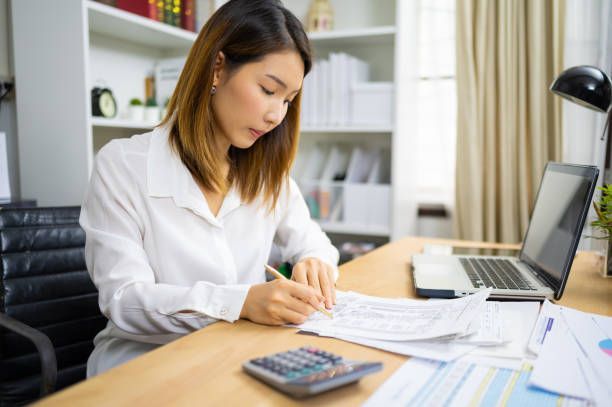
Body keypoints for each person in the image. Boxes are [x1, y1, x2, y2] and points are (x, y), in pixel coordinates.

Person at [80, 0, 339, 377]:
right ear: (217, 68)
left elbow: (315, 244)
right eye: (268, 90)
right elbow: (124, 299)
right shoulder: (123, 165)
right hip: (142, 371)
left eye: (287, 100)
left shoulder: (267, 173)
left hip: (235, 360)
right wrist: (240, 302)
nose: (276, 115)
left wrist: (314, 262)